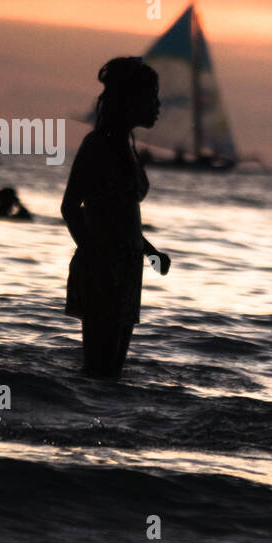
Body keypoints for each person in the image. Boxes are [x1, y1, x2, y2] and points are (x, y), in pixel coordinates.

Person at [62, 56, 171, 378]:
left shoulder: (127, 148)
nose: (158, 106)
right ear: (129, 100)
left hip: (126, 270)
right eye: (151, 97)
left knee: (111, 377)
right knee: (98, 372)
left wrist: (151, 254)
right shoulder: (97, 145)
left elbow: (122, 219)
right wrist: (96, 259)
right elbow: (70, 208)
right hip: (103, 271)